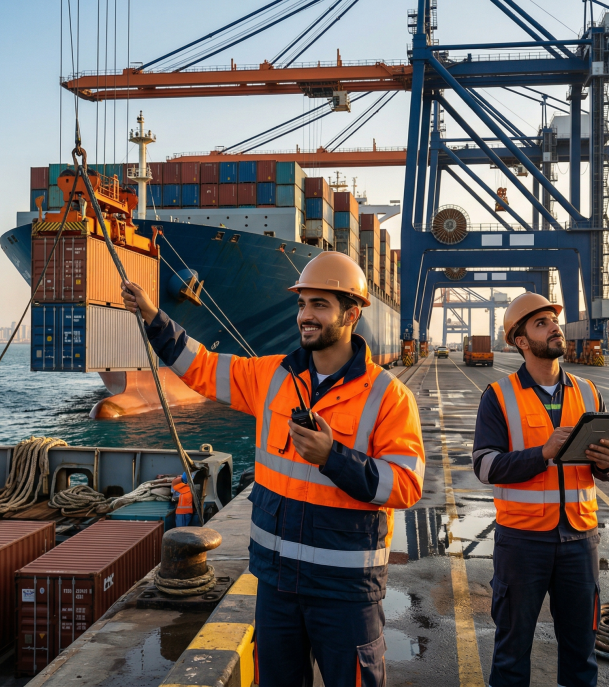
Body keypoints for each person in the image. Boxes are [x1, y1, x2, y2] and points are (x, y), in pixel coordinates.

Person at [121, 251, 425, 687]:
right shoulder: (272, 376)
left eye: (319, 305)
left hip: (346, 591)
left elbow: (407, 485)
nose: (306, 315)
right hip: (276, 585)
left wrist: (333, 458)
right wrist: (154, 316)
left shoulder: (388, 396)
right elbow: (202, 367)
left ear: (352, 313)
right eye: (302, 304)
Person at [471, 292, 609, 687]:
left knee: (581, 654)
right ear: (521, 340)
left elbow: (603, 466)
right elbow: (485, 466)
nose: (555, 327)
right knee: (511, 653)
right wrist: (541, 453)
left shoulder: (589, 392)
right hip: (522, 543)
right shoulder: (498, 397)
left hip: (579, 539)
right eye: (541, 323)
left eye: (553, 321)